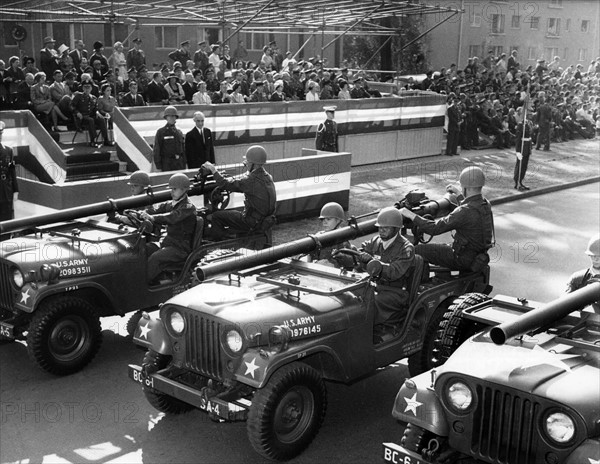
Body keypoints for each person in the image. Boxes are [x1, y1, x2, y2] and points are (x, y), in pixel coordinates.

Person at [399, 166, 494, 272]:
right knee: (438, 248)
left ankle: (417, 284)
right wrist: (458, 194)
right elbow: (468, 207)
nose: (462, 189)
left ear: (466, 188)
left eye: (462, 187)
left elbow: (434, 228)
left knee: (417, 250)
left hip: (461, 259)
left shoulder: (465, 211)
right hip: (476, 256)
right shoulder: (485, 204)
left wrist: (411, 215)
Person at [358, 207, 414, 341]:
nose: (381, 231)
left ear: (396, 229)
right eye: (379, 228)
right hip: (375, 286)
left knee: (367, 303)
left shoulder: (406, 248)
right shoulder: (376, 241)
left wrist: (376, 264)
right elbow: (361, 251)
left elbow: (395, 272)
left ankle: (364, 337)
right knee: (352, 298)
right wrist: (358, 256)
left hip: (396, 292)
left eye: (386, 228)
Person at [202, 145, 276, 239]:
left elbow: (225, 184)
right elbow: (244, 178)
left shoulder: (250, 180)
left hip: (250, 221)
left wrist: (213, 169)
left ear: (253, 164)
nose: (246, 165)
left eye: (247, 163)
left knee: (217, 216)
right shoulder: (267, 177)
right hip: (264, 220)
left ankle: (220, 244)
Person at [138, 173, 198, 283]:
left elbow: (172, 217)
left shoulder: (187, 207)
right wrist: (144, 212)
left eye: (174, 189)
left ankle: (143, 284)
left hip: (180, 248)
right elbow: (157, 210)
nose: (171, 192)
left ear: (184, 189)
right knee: (143, 249)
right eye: (171, 189)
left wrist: (152, 218)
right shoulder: (172, 204)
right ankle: (146, 279)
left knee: (155, 258)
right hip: (168, 242)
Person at [307, 202, 352, 266]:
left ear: (338, 220)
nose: (324, 222)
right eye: (323, 219)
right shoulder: (318, 236)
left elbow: (350, 263)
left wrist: (341, 257)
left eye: (328, 219)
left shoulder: (342, 239)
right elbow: (309, 256)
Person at [565, 235, 600, 313]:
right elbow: (561, 307)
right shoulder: (578, 279)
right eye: (593, 256)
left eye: (599, 256)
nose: (596, 259)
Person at [71, 80, 111, 147]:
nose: (87, 89)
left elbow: (95, 109)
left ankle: (106, 140)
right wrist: (77, 112)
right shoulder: (78, 96)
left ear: (91, 88)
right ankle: (93, 141)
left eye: (88, 87)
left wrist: (98, 113)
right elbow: (71, 105)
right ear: (83, 88)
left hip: (91, 116)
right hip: (81, 117)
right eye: (85, 87)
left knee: (101, 119)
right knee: (90, 120)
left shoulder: (93, 98)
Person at [153, 106, 185, 171]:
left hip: (179, 164)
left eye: (174, 116)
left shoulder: (179, 132)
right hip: (167, 164)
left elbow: (183, 149)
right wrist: (158, 165)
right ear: (166, 118)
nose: (172, 118)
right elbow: (157, 149)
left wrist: (184, 162)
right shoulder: (161, 132)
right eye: (170, 116)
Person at [0, 121, 19, 221]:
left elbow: (12, 172)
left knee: (7, 215)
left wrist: (15, 190)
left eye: (0, 134)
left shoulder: (8, 150)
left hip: (5, 188)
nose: (0, 136)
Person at [514, 111, 533, 190]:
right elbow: (518, 138)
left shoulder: (528, 123)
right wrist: (518, 150)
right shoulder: (521, 125)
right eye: (529, 114)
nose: (531, 115)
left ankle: (521, 181)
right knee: (520, 165)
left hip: (527, 147)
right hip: (521, 148)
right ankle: (517, 182)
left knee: (524, 166)